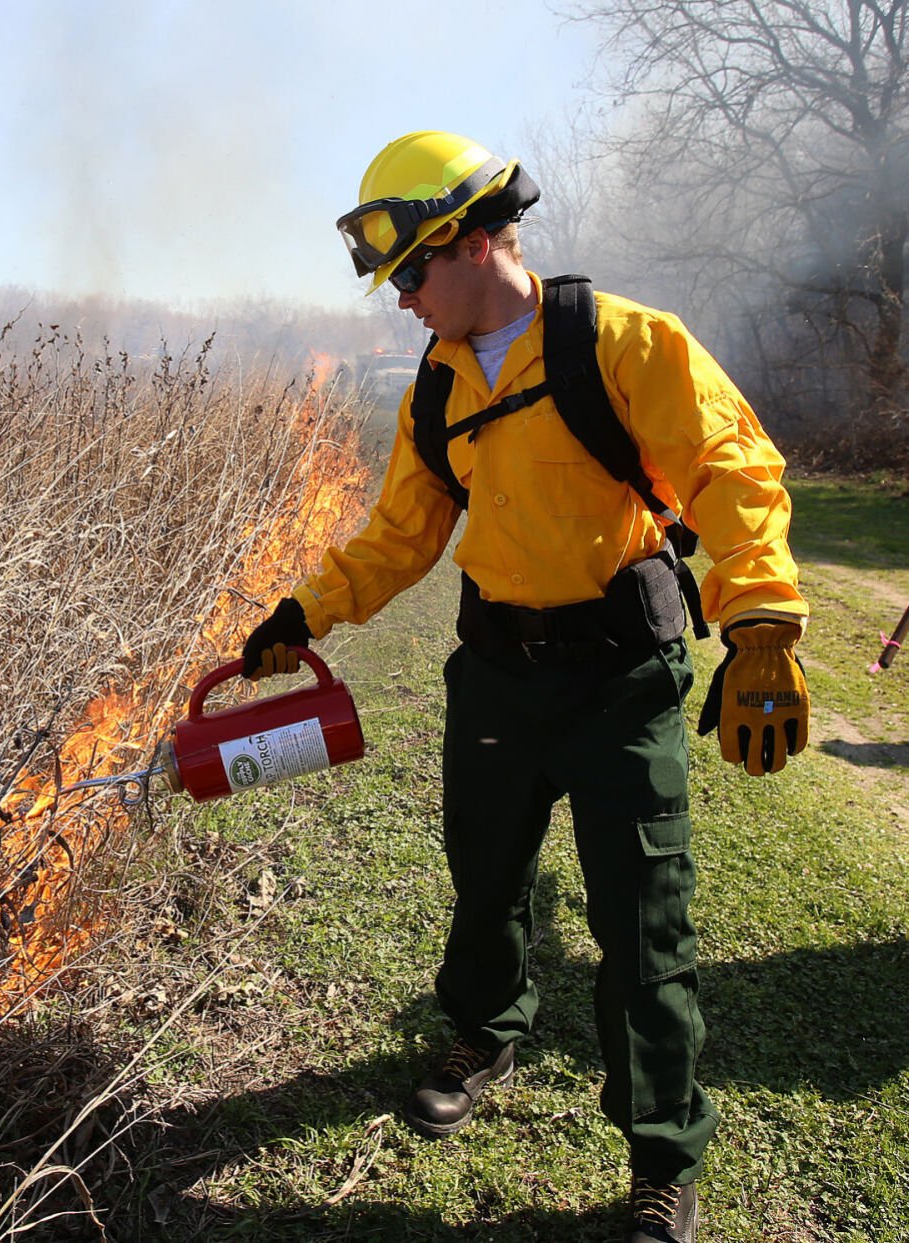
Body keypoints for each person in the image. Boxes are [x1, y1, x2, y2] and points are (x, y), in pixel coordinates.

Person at [240, 131, 810, 1243]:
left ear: (464, 240)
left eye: (407, 271)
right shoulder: (437, 386)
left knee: (641, 921)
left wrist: (763, 622)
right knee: (484, 874)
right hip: (495, 676)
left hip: (618, 682)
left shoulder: (623, 344)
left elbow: (733, 472)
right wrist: (304, 615)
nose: (397, 298)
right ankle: (485, 1031)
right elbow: (400, 535)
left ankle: (660, 1154)